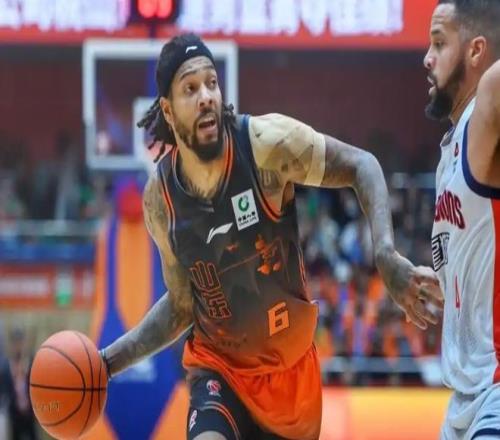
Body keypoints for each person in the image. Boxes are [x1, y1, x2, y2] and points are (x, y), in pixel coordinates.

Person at [100, 33, 442, 440]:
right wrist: (106, 363)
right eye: (190, 89)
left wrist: (385, 253)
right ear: (168, 111)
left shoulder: (265, 146)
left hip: (291, 380)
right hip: (219, 370)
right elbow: (181, 305)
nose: (206, 96)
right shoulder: (160, 200)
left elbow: (361, 165)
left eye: (211, 83)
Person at [423, 1, 500, 438]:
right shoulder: (450, 150)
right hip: (462, 403)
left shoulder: (486, 108)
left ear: (476, 51)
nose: (427, 58)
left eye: (439, 43)